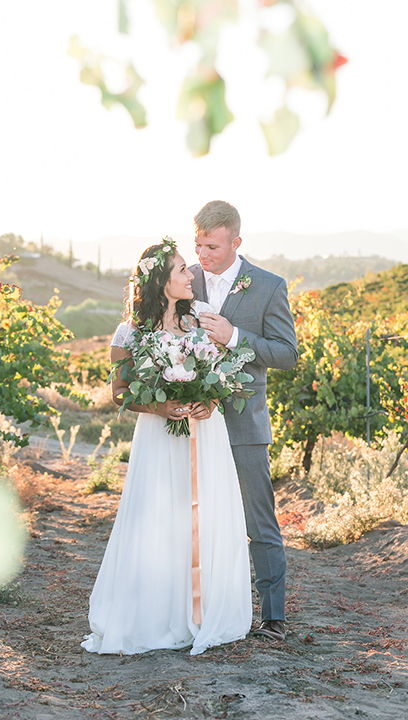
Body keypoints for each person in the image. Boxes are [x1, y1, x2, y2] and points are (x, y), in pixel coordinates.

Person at [81, 239, 252, 656]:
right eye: (180, 270)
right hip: (160, 438)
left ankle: (202, 610)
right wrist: (162, 406)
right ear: (161, 283)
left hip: (204, 436)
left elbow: (225, 375)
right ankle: (159, 615)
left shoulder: (205, 319)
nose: (190, 274)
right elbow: (121, 391)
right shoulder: (130, 334)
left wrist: (208, 400)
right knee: (158, 518)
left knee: (205, 515)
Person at [190, 201, 298, 642]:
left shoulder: (269, 287)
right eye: (197, 243)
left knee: (260, 522)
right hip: (194, 421)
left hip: (244, 422)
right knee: (193, 519)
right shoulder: (185, 280)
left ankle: (273, 616)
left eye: (212, 246)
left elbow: (287, 354)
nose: (202, 254)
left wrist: (233, 336)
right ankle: (199, 608)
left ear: (236, 242)